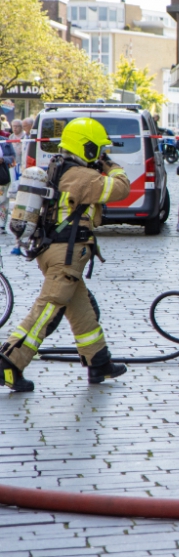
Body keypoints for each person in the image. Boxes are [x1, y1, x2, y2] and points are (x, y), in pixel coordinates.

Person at [0, 118, 131, 392]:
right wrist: (111, 166)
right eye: (98, 148)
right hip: (65, 256)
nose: (100, 154)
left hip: (54, 252)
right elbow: (121, 188)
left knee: (81, 308)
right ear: (87, 147)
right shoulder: (81, 176)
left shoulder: (61, 167)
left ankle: (99, 362)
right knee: (47, 309)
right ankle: (9, 363)